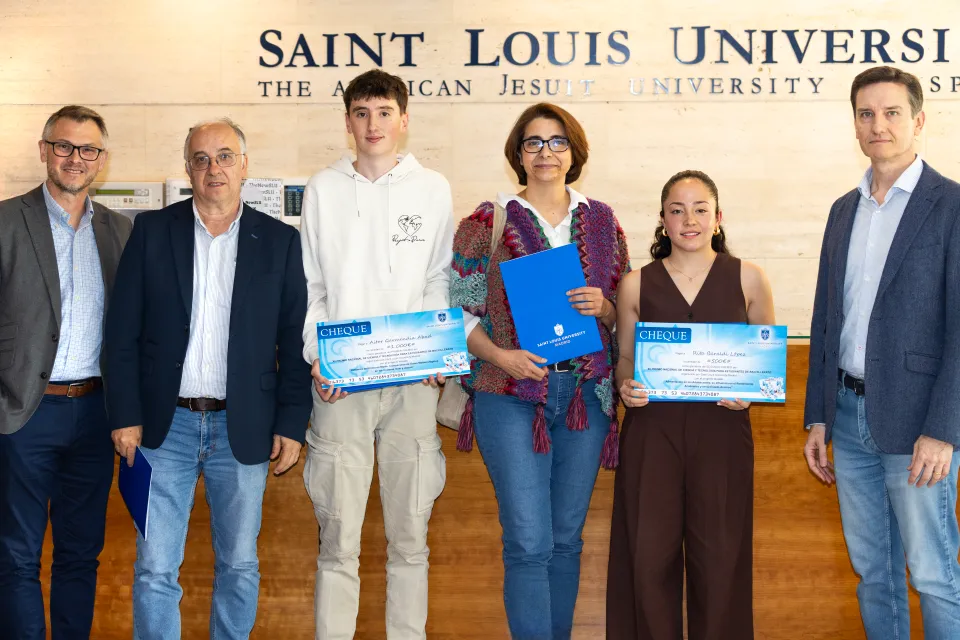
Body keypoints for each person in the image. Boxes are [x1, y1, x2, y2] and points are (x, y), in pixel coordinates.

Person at [105, 118, 312, 639]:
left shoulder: (281, 241)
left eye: (224, 157)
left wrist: (291, 424)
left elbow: (294, 344)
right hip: (162, 428)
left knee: (239, 564)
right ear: (188, 169)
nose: (213, 168)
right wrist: (124, 415)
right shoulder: (152, 232)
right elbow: (122, 331)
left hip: (244, 426)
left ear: (244, 166)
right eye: (200, 159)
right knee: (155, 568)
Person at [450, 102, 631, 640]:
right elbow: (458, 314)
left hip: (586, 398)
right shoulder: (486, 222)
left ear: (574, 152)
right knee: (528, 543)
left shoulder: (603, 221)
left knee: (566, 540)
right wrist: (500, 356)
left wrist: (605, 308)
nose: (545, 152)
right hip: (509, 395)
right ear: (518, 154)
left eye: (557, 142)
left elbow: (627, 310)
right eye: (533, 142)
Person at [802, 66, 960, 637]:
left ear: (918, 120)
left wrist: (943, 430)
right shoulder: (843, 209)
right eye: (866, 114)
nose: (879, 125)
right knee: (873, 573)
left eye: (892, 113)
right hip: (846, 418)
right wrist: (818, 415)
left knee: (934, 574)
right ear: (855, 125)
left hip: (919, 424)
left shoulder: (952, 205)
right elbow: (826, 320)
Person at [300, 69, 454, 640]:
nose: (373, 124)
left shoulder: (432, 188)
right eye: (362, 113)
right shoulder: (322, 189)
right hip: (341, 381)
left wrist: (436, 352)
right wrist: (318, 355)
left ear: (404, 119)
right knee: (337, 540)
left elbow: (438, 279)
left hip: (414, 381)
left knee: (410, 540)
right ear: (347, 122)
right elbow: (312, 286)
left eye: (384, 112)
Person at [606, 170, 775, 639]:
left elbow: (765, 362)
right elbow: (625, 359)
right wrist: (625, 386)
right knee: (646, 560)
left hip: (723, 433)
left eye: (700, 209)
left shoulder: (750, 278)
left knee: (720, 562)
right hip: (651, 432)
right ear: (662, 220)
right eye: (677, 210)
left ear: (718, 218)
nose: (689, 220)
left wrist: (750, 392)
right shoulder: (635, 284)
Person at [0, 106, 131, 640]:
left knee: (80, 554)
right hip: (23, 415)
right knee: (16, 555)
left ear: (102, 158)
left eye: (88, 149)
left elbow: (132, 330)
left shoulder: (119, 230)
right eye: (64, 146)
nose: (76, 158)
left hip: (95, 416)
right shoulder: (6, 221)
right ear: (44, 150)